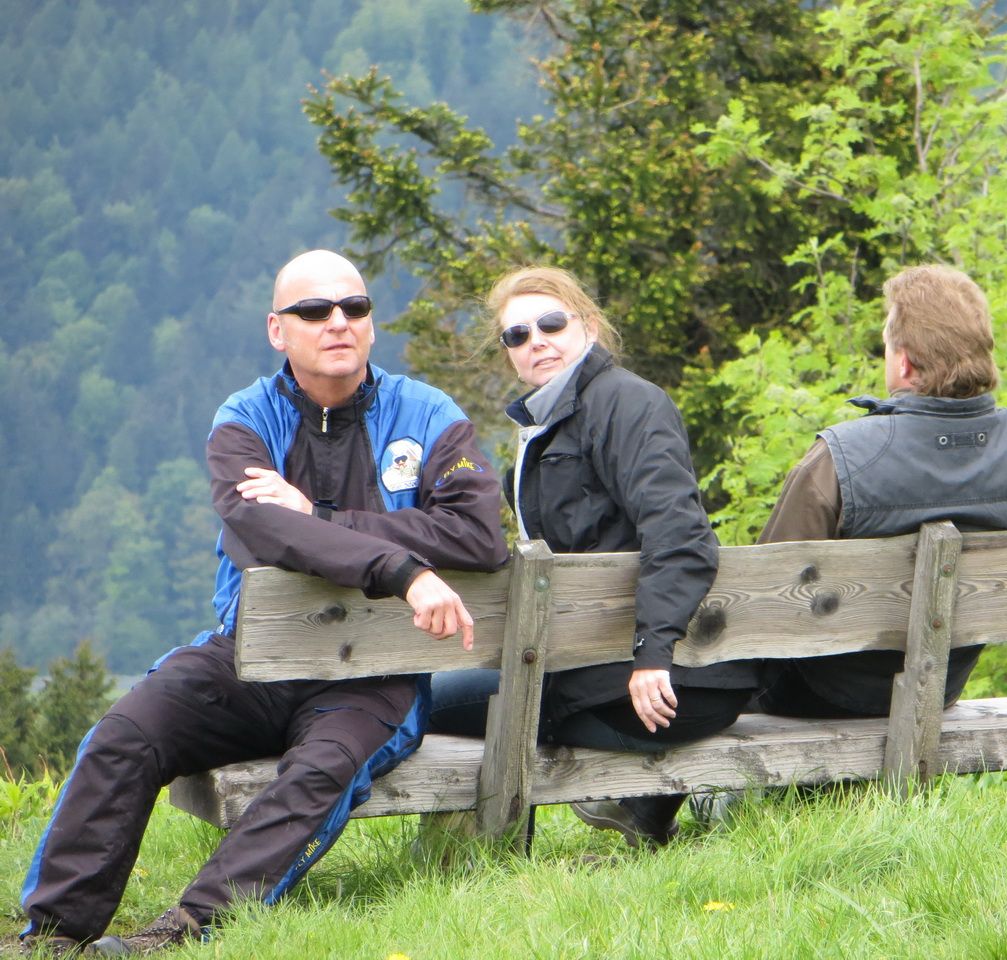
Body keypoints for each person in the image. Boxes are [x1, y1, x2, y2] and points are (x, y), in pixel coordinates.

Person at [19, 250, 508, 956]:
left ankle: (186, 930)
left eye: (355, 307)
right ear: (278, 330)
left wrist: (322, 517)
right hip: (249, 658)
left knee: (322, 771)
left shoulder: (429, 415)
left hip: (376, 679)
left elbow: (479, 535)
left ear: (372, 323)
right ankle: (54, 935)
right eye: (314, 310)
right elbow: (265, 530)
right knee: (124, 734)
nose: (338, 321)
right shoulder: (246, 419)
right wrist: (401, 567)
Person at [428, 266, 758, 847]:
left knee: (415, 706)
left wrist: (652, 654)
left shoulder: (625, 404)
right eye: (517, 335)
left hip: (654, 686)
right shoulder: (552, 425)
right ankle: (638, 810)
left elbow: (680, 534)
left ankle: (469, 857)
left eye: (551, 323)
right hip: (614, 672)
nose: (536, 341)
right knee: (451, 691)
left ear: (589, 326)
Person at [753, 264, 1007, 718]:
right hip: (942, 686)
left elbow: (765, 599)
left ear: (903, 361)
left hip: (814, 694)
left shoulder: (838, 460)